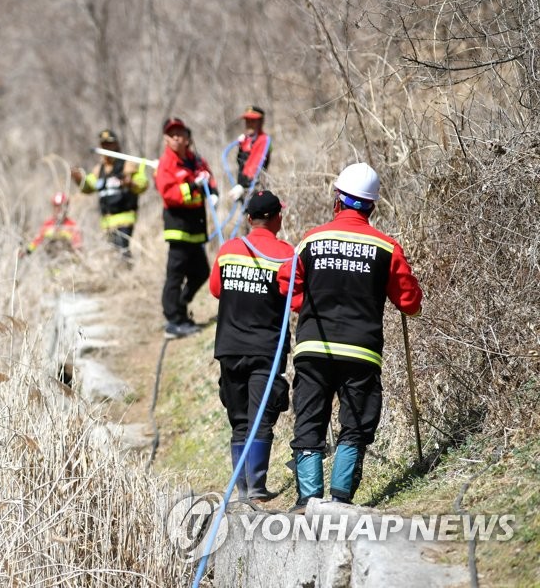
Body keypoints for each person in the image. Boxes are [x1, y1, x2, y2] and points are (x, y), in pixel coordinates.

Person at [279, 162, 423, 512]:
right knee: (355, 423)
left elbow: (286, 285)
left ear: (337, 202)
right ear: (371, 206)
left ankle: (307, 498)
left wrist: (308, 308)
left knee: (310, 419)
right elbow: (410, 303)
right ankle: (341, 500)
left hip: (314, 347)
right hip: (362, 352)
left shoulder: (311, 240)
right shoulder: (386, 247)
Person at [209, 190, 294, 502]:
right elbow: (294, 299)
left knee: (240, 420)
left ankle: (242, 488)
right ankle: (255, 488)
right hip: (265, 350)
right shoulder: (285, 253)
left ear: (248, 219)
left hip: (229, 348)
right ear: (277, 219)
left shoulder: (229, 249)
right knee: (261, 416)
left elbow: (216, 289)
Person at [155, 117, 219, 338]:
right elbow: (168, 193)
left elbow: (208, 177)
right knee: (175, 274)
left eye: (181, 133)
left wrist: (214, 192)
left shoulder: (195, 160)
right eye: (173, 135)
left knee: (201, 272)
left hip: (196, 226)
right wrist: (192, 186)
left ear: (187, 136)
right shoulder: (166, 163)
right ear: (166, 139)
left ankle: (180, 307)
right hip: (178, 226)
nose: (177, 138)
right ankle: (173, 321)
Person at [70, 129, 149, 258]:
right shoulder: (99, 169)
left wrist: (131, 183)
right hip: (107, 221)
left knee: (122, 251)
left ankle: (127, 273)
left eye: (110, 144)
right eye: (104, 144)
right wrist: (79, 179)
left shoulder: (127, 164)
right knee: (112, 254)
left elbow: (143, 184)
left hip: (125, 217)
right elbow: (88, 187)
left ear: (116, 145)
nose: (107, 147)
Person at [227, 106, 273, 204]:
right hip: (245, 191)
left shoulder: (264, 140)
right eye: (247, 121)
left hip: (256, 190)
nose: (249, 124)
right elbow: (240, 163)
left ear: (260, 122)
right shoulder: (246, 140)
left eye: (253, 121)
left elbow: (255, 166)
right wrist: (241, 145)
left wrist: (242, 186)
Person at [24, 192, 83, 256]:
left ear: (66, 208)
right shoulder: (47, 225)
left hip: (67, 261)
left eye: (61, 206)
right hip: (49, 260)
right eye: (56, 206)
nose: (58, 210)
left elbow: (78, 247)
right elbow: (36, 241)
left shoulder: (72, 225)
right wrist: (26, 252)